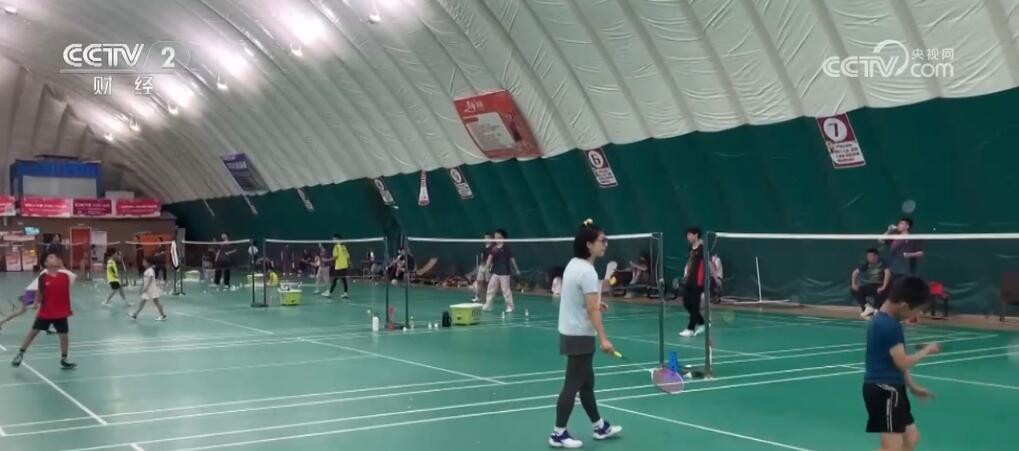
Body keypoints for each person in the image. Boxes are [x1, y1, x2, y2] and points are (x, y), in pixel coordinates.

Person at [549, 219, 622, 448]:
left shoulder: (573, 264)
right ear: (589, 244)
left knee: (587, 382)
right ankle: (558, 433)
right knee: (572, 384)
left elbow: (578, 298)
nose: (605, 244)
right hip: (580, 335)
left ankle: (599, 426)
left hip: (569, 331)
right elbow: (591, 309)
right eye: (602, 240)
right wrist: (604, 339)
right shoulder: (588, 272)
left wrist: (595, 305)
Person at [862, 276, 941, 451]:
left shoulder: (883, 321)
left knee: (910, 439)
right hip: (884, 389)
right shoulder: (889, 326)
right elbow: (903, 362)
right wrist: (926, 350)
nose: (917, 315)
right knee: (892, 448)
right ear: (904, 305)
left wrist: (912, 386)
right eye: (917, 310)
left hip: (893, 388)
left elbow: (896, 364)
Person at [11, 254, 79, 369]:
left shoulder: (65, 276)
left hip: (61, 312)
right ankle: (20, 354)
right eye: (51, 258)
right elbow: (40, 291)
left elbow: (73, 277)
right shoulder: (43, 277)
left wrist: (62, 266)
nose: (55, 258)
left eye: (56, 257)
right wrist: (35, 303)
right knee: (33, 333)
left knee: (64, 337)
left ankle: (64, 359)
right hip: (46, 312)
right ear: (46, 264)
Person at [483, 229, 519, 313]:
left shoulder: (506, 247)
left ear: (503, 238)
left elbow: (512, 259)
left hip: (505, 273)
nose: (496, 239)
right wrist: (486, 267)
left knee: (505, 290)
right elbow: (489, 258)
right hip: (496, 272)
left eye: (498, 237)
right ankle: (488, 305)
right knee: (490, 288)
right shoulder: (494, 248)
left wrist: (516, 269)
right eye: (495, 237)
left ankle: (510, 307)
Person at [679, 227, 706, 337]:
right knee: (686, 303)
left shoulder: (703, 248)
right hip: (689, 279)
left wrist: (702, 282)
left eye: (690, 235)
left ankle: (690, 328)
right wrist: (686, 272)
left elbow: (704, 265)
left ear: (696, 235)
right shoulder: (691, 248)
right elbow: (690, 262)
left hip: (698, 281)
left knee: (695, 305)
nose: (688, 237)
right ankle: (702, 322)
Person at [852, 249, 892, 317]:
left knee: (880, 291)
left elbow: (888, 273)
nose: (868, 258)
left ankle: (877, 310)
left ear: (876, 256)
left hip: (882, 285)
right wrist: (854, 284)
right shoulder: (866, 264)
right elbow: (855, 272)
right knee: (855, 290)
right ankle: (867, 308)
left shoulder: (882, 262)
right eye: (867, 256)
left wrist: (884, 286)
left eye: (870, 256)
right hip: (872, 285)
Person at [325, 234, 351, 299]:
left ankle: (329, 293)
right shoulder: (344, 247)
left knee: (335, 280)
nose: (333, 241)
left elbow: (335, 257)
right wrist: (349, 264)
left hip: (339, 266)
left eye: (334, 239)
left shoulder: (336, 247)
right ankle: (345, 293)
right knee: (344, 280)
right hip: (344, 266)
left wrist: (326, 260)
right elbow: (348, 256)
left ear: (337, 239)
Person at [473, 232, 494, 303]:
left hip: (489, 267)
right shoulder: (483, 247)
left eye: (487, 238)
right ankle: (477, 297)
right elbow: (482, 257)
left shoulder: (493, 248)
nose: (485, 239)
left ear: (491, 239)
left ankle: (488, 298)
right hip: (482, 266)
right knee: (479, 281)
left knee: (488, 283)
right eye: (484, 238)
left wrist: (490, 266)